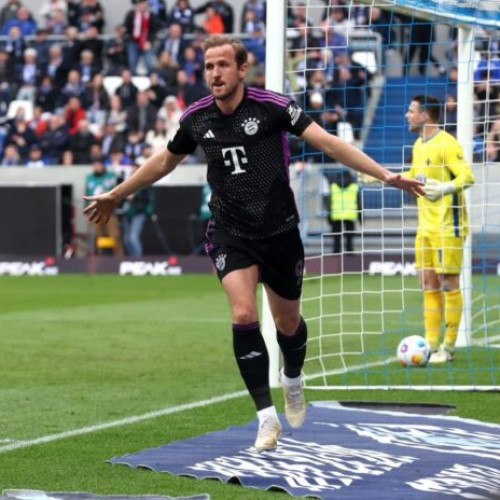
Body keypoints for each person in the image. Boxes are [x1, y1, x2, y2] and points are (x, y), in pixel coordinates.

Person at [84, 35, 424, 453]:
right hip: (230, 231)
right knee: (244, 313)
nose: (215, 74)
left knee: (288, 324)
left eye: (223, 65)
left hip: (279, 232)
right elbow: (164, 162)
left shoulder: (272, 107)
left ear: (242, 69)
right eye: (209, 66)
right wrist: (117, 194)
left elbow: (328, 142)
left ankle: (293, 379)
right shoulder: (196, 118)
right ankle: (266, 417)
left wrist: (385, 175)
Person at [405, 95, 475, 363]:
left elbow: (467, 176)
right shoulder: (418, 145)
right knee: (428, 283)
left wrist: (444, 188)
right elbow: (414, 178)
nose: (407, 115)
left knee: (449, 283)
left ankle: (449, 347)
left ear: (425, 115)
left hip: (448, 225)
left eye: (411, 111)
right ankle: (431, 346)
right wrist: (383, 177)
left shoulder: (447, 143)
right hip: (425, 226)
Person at [121, 164, 154, 256]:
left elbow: (147, 199)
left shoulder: (145, 183)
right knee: (126, 239)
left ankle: (138, 259)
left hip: (138, 212)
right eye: (133, 170)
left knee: (133, 237)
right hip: (127, 212)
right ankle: (132, 258)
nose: (134, 172)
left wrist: (135, 198)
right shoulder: (127, 183)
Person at [325, 170, 361, 254]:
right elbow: (359, 203)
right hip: (350, 215)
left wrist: (329, 215)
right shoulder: (354, 187)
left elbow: (329, 203)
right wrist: (361, 217)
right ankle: (349, 251)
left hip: (336, 215)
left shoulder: (333, 187)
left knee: (336, 236)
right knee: (349, 236)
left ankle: (336, 251)